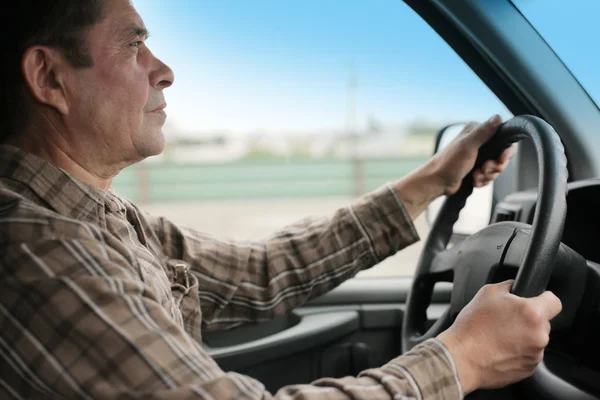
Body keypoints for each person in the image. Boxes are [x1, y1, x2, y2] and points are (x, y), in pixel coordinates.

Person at [0, 0, 561, 399]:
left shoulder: (99, 219)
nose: (164, 71)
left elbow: (260, 272)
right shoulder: (39, 250)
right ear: (48, 77)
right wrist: (463, 358)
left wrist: (432, 180)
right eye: (134, 45)